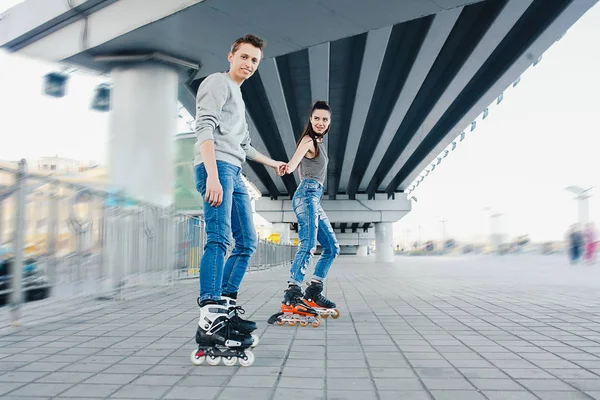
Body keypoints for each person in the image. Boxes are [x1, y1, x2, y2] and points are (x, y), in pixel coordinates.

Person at [192, 34, 286, 358]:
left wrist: (273, 163)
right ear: (230, 55)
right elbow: (204, 128)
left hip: (233, 170)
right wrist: (214, 178)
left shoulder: (239, 97)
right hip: (215, 168)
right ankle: (209, 319)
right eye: (244, 57)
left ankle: (226, 307)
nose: (248, 64)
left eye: (254, 60)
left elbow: (244, 146)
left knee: (247, 241)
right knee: (219, 239)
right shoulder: (218, 83)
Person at [272, 101, 340, 325]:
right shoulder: (308, 141)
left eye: (325, 119)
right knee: (308, 244)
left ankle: (313, 292)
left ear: (329, 122)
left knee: (331, 247)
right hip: (306, 196)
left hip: (313, 198)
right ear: (311, 119)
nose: (321, 123)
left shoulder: (318, 143)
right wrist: (286, 168)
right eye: (317, 118)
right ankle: (292, 293)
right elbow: (294, 164)